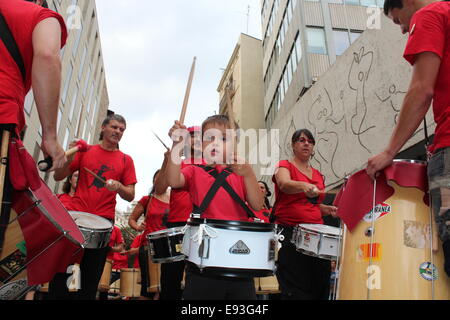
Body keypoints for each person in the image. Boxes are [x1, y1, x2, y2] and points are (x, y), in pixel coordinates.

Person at [366, 0, 450, 277]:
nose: (403, 30)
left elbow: (421, 90)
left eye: (397, 20)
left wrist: (390, 151)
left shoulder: (428, 15)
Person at [166, 114, 264, 300]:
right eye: (209, 138)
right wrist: (176, 145)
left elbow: (257, 204)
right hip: (203, 259)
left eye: (224, 138)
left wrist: (249, 174)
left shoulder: (242, 171)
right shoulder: (195, 170)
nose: (216, 143)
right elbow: (173, 180)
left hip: (238, 257)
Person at [47, 114, 137, 300]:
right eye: (114, 127)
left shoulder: (126, 160)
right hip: (77, 218)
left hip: (103, 223)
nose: (118, 131)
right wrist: (70, 155)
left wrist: (119, 186)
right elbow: (58, 176)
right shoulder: (85, 151)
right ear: (102, 128)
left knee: (89, 278)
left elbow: (130, 195)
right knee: (64, 273)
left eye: (121, 129)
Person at [272, 129, 337, 300]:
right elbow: (284, 184)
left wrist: (327, 209)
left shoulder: (317, 174)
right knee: (295, 286)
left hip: (316, 235)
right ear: (293, 145)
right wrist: (302, 185)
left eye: (310, 141)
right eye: (301, 140)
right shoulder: (284, 165)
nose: (306, 143)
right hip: (290, 232)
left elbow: (312, 205)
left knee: (320, 284)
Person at [153, 125, 203, 300]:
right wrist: (167, 160)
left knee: (199, 279)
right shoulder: (177, 163)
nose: (196, 140)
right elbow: (159, 189)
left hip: (204, 227)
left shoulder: (213, 165)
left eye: (200, 137)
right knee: (170, 279)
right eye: (192, 137)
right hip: (178, 225)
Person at [128, 170, 170, 300]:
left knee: (167, 288)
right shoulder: (147, 200)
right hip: (148, 247)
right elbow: (131, 219)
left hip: (168, 248)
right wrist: (138, 227)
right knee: (148, 289)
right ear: (154, 181)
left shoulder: (174, 200)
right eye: (158, 178)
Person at [98, 225, 124, 300]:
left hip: (107, 262)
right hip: (93, 257)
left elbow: (120, 247)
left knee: (103, 289)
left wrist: (110, 249)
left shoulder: (116, 230)